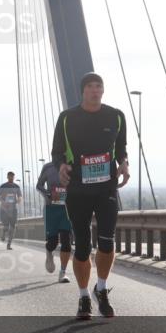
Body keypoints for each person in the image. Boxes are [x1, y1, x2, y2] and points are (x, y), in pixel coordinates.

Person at [51, 72, 129, 320]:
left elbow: (121, 148)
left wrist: (124, 163)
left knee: (107, 241)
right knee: (83, 246)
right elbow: (57, 152)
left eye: (99, 86)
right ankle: (84, 295)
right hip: (77, 190)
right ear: (83, 91)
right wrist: (61, 166)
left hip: (106, 187)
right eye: (91, 87)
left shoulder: (116, 116)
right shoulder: (67, 118)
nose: (95, 91)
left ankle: (102, 289)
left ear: (103, 91)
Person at [36, 160, 72, 283]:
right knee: (53, 242)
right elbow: (39, 185)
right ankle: (49, 251)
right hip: (51, 209)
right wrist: (48, 194)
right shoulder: (48, 167)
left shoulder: (73, 165)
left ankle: (63, 272)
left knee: (66, 241)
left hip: (67, 209)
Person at [0, 171, 22, 249]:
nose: (11, 178)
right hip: (4, 209)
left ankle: (9, 244)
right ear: (7, 177)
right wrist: (3, 202)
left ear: (14, 177)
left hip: (13, 209)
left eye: (12, 177)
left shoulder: (16, 186)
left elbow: (20, 195)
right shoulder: (3, 186)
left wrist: (19, 200)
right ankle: (3, 233)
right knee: (6, 227)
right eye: (10, 176)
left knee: (13, 227)